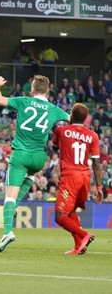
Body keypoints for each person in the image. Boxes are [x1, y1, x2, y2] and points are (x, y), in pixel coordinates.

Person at [0, 75, 69, 253]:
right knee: (29, 176)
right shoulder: (53, 109)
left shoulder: (24, 101)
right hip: (40, 159)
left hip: (20, 155)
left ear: (32, 90)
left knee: (9, 195)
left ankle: (7, 232)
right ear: (48, 91)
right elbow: (73, 119)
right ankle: (16, 205)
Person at [53, 103, 103, 255]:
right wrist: (99, 187)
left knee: (59, 217)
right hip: (85, 177)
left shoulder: (61, 130)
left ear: (71, 116)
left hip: (70, 177)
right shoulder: (92, 135)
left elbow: (55, 147)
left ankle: (84, 235)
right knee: (71, 212)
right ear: (86, 119)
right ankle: (78, 247)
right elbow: (96, 162)